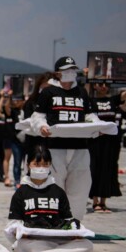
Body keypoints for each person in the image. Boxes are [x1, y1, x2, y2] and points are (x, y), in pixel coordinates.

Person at [30, 56, 100, 220]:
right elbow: (37, 116)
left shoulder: (81, 92)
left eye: (72, 69)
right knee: (55, 185)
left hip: (80, 147)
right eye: (66, 70)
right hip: (56, 147)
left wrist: (97, 126)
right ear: (57, 73)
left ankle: (74, 222)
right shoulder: (48, 92)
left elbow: (90, 116)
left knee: (80, 186)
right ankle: (55, 221)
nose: (70, 73)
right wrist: (41, 127)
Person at [8, 145, 93, 252]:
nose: (41, 168)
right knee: (21, 244)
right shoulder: (21, 193)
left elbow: (68, 221)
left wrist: (75, 233)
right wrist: (19, 231)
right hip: (33, 241)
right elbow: (13, 224)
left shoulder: (58, 192)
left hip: (59, 240)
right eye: (37, 164)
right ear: (28, 165)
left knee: (87, 244)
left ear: (50, 165)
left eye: (45, 164)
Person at [88, 83, 126, 212]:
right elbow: (83, 92)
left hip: (111, 143)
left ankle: (103, 202)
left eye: (106, 84)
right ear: (95, 86)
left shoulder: (113, 100)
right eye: (100, 84)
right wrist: (89, 79)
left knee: (107, 170)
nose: (103, 86)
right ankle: (95, 201)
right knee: (94, 169)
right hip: (94, 141)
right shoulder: (91, 101)